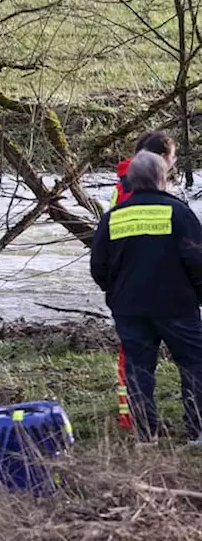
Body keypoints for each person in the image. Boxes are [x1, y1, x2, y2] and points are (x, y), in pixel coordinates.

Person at [91, 150, 202, 444]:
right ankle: (198, 432)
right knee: (194, 364)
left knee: (139, 371)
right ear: (162, 177)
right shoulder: (178, 212)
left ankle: (145, 434)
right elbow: (198, 260)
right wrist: (197, 296)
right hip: (177, 305)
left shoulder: (112, 217)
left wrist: (115, 295)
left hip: (130, 308)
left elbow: (98, 268)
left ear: (130, 181)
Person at [108, 131, 178, 430]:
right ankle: (135, 418)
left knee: (134, 356)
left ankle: (132, 418)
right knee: (183, 357)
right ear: (161, 159)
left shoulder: (122, 184)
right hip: (157, 288)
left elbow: (108, 240)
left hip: (127, 287)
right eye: (172, 158)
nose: (173, 164)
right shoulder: (142, 187)